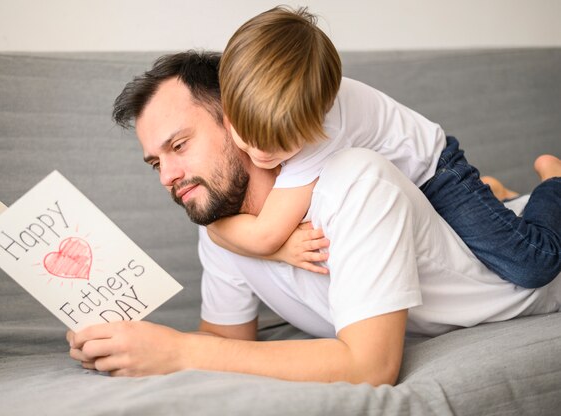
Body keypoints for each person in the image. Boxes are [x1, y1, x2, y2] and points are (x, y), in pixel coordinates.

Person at [67, 51, 561, 384]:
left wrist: (179, 353)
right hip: (449, 225)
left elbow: (371, 366)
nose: (167, 177)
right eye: (156, 162)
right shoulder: (223, 228)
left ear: (238, 121)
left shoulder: (353, 178)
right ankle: (501, 194)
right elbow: (225, 342)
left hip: (538, 277)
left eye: (179, 146)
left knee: (528, 249)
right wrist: (126, 343)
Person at [207, 6, 561, 288]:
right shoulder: (259, 105)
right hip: (396, 191)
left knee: (531, 265)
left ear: (320, 114)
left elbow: (267, 235)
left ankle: (552, 180)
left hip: (434, 175)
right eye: (244, 134)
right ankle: (494, 193)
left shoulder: (324, 131)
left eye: (281, 145)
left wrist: (216, 228)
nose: (260, 154)